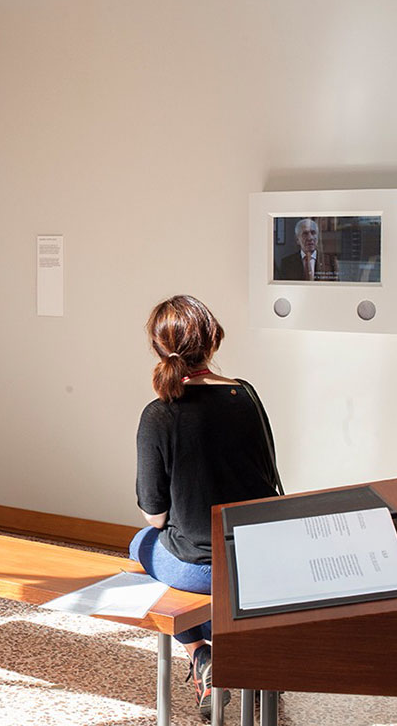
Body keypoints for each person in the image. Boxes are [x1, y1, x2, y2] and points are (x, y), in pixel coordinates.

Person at [132, 295, 281, 719]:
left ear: (159, 348)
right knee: (226, 581)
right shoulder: (245, 395)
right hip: (260, 555)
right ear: (213, 340)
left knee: (140, 543)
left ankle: (200, 653)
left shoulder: (158, 415)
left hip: (199, 567)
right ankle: (249, 653)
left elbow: (154, 514)